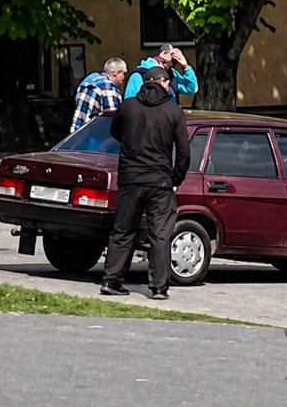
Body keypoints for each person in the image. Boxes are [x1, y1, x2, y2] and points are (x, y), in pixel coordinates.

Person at [101, 67, 190, 300]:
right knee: (160, 234)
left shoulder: (128, 106)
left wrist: (133, 144)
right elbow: (183, 151)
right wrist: (176, 178)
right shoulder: (173, 111)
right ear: (162, 82)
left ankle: (112, 280)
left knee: (123, 229)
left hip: (130, 177)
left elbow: (115, 132)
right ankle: (159, 287)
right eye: (169, 83)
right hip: (160, 180)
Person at [123, 44, 198, 103]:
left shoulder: (172, 74)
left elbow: (191, 88)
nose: (168, 68)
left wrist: (185, 67)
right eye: (166, 64)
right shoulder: (140, 75)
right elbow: (130, 103)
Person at [70, 57, 128, 134]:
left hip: (76, 133)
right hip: (93, 136)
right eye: (123, 74)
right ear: (116, 74)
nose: (123, 79)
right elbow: (112, 118)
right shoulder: (108, 87)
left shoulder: (88, 81)